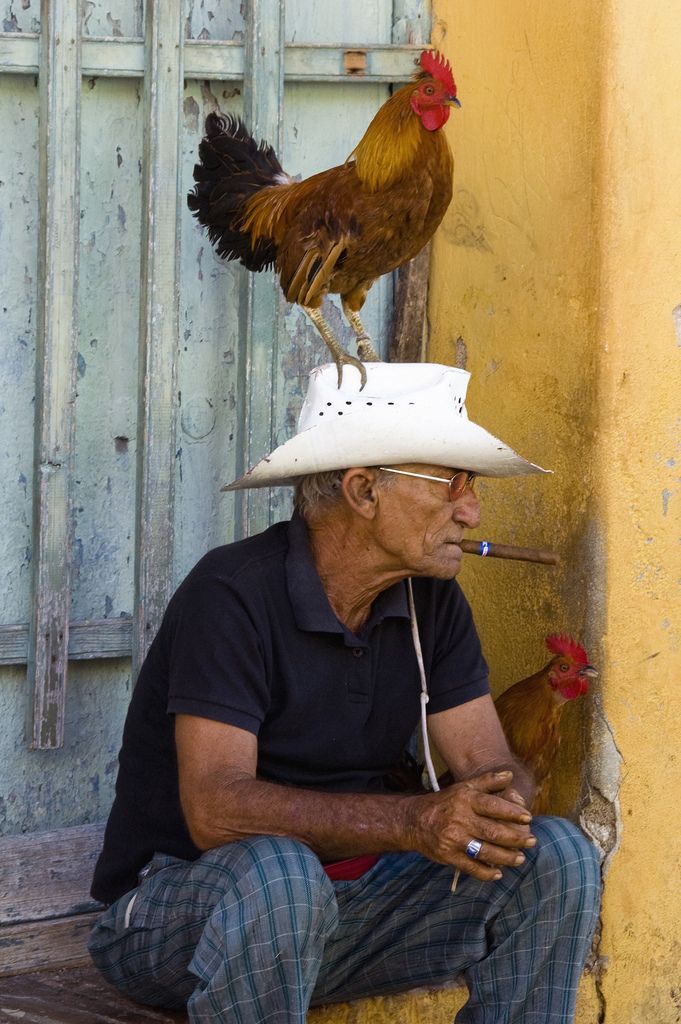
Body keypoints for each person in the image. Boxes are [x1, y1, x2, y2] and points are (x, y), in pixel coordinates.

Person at [88, 362, 600, 1023]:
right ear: (362, 491)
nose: (470, 510)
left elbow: (487, 766)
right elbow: (215, 811)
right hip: (180, 922)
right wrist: (418, 820)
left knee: (557, 856)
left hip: (351, 917)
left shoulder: (431, 604)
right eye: (449, 484)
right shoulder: (232, 594)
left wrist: (495, 805)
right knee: (280, 876)